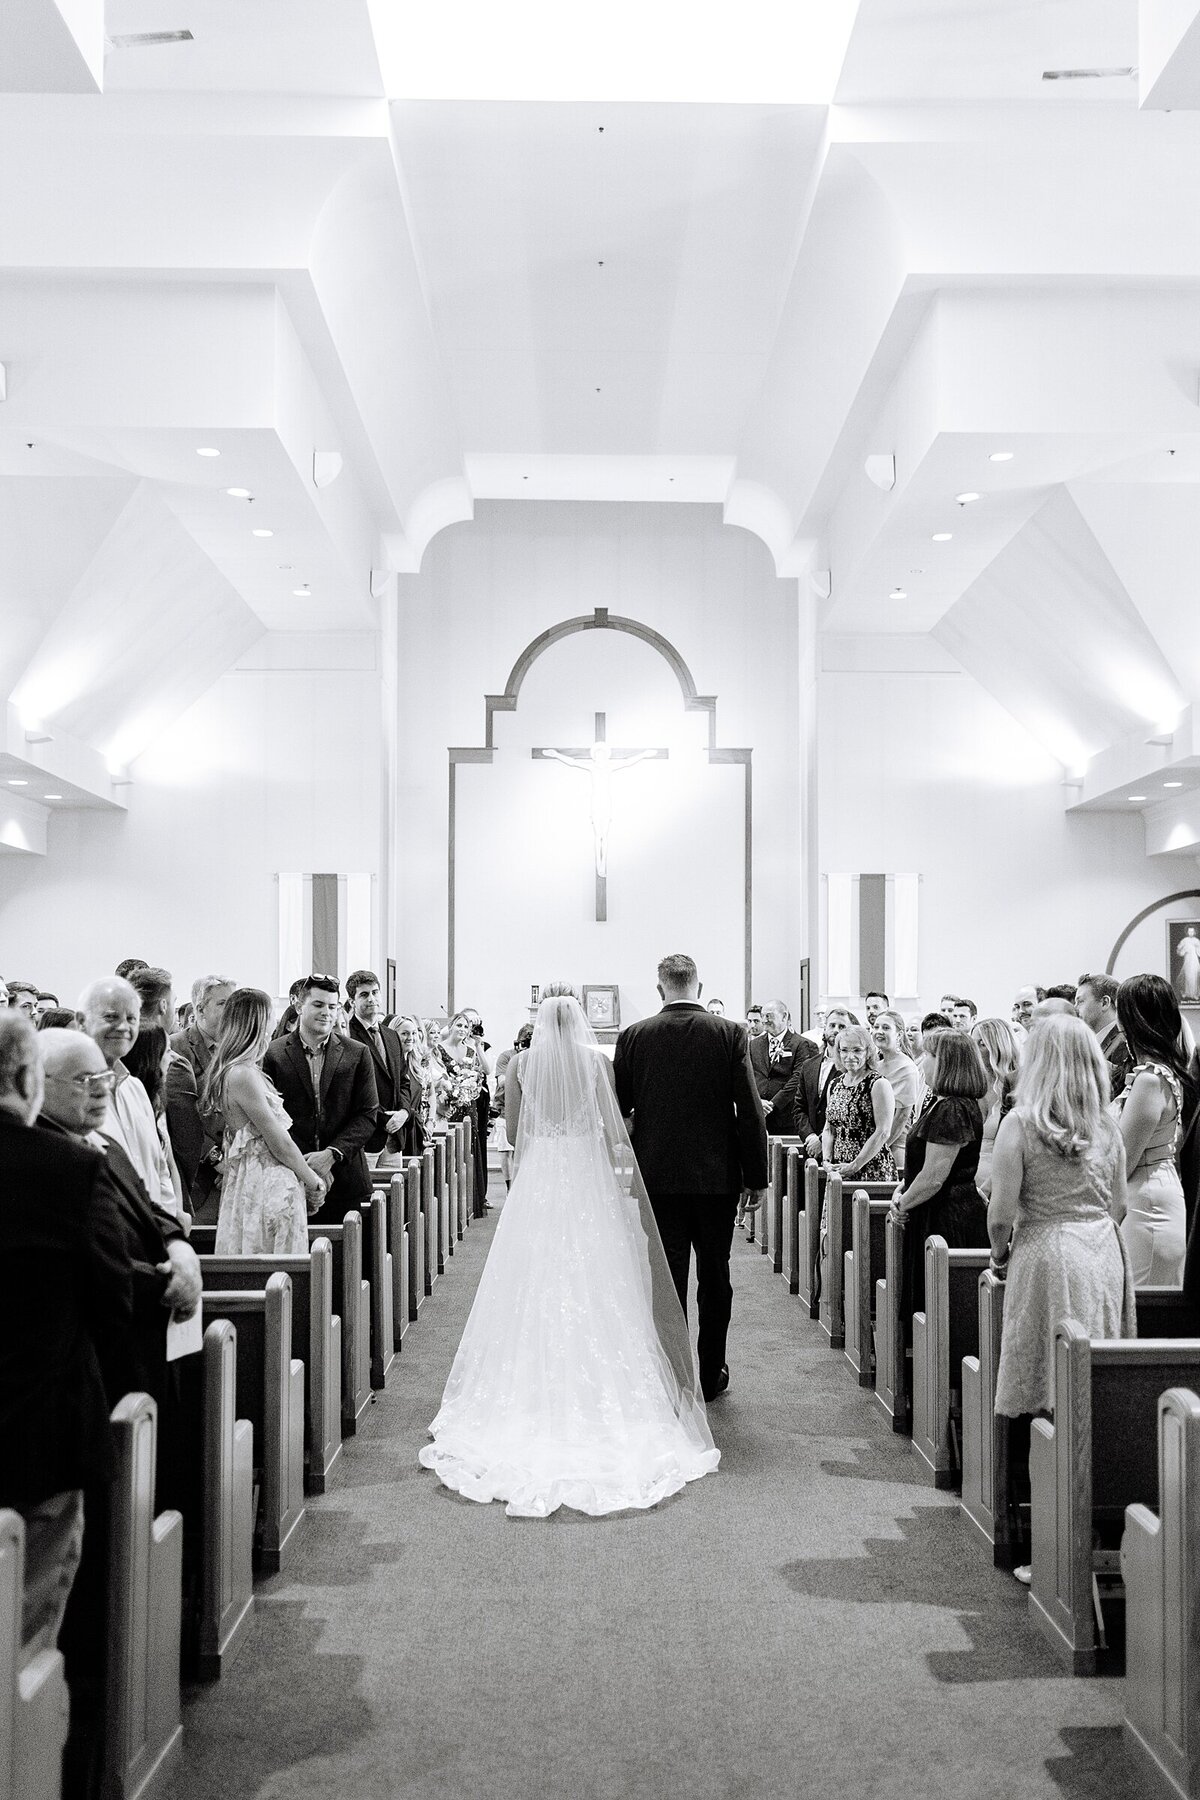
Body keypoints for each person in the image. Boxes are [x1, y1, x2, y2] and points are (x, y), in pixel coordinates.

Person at [420, 991, 719, 1517]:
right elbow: (612, 1132)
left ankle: (524, 1390)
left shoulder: (522, 1064)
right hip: (585, 1176)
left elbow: (513, 1132)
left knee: (531, 1278)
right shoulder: (595, 1063)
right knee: (599, 1278)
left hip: (540, 1178)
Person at [0, 1015, 132, 1672]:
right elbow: (113, 1301)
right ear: (28, 1079)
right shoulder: (70, 1168)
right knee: (28, 1633)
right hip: (38, 1433)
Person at [987, 1016, 1134, 1581]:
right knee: (1090, 1387)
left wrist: (1002, 1255)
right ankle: (1093, 1531)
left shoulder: (1020, 1124)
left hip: (1046, 1257)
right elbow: (1117, 1204)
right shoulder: (1106, 1126)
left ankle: (1045, 1547)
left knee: (1041, 1395)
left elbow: (1001, 1214)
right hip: (1100, 1255)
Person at [613, 954, 768, 1402]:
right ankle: (710, 1372)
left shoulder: (634, 1036)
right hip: (716, 1177)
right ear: (699, 987)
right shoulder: (729, 1033)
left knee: (667, 1276)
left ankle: (672, 1373)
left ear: (660, 989)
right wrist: (755, 1176)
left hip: (655, 1177)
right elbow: (749, 1110)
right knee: (716, 1274)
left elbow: (620, 1110)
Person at [202, 988, 324, 1253]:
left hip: (253, 1181)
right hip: (266, 1183)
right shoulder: (242, 1074)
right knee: (276, 1270)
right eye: (270, 1016)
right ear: (258, 1022)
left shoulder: (239, 1071)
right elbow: (278, 1142)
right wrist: (313, 1179)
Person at [890, 1030, 989, 1345]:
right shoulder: (943, 1103)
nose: (922, 1062)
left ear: (945, 1062)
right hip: (936, 1209)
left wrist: (903, 1204)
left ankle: (935, 1383)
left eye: (928, 1056)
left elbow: (935, 1175)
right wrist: (901, 1192)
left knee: (939, 1307)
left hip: (947, 1216)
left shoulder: (954, 1108)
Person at [262, 973, 378, 1225]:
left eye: (332, 1006)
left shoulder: (356, 1053)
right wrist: (305, 1166)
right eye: (318, 1004)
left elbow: (367, 1114)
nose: (327, 1012)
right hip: (289, 1175)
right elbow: (270, 1118)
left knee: (349, 1260)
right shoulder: (273, 1054)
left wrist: (331, 1154)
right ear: (298, 1006)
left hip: (345, 1178)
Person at [78, 976, 185, 1226]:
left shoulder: (135, 1087)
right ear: (82, 1022)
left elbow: (159, 1170)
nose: (123, 1027)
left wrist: (168, 1233)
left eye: (131, 1018)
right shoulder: (68, 1087)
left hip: (152, 1238)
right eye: (111, 1017)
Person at [1114, 973, 1192, 1286]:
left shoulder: (1149, 1079)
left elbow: (1123, 1159)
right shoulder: (1160, 1072)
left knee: (1142, 1306)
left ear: (1128, 1020)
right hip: (1149, 1192)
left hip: (1146, 1205)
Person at [170, 974, 236, 1215]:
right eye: (222, 1004)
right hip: (196, 1176)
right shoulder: (175, 1047)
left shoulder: (238, 1049)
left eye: (233, 1004)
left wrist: (236, 1159)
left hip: (235, 1173)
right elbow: (177, 1117)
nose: (231, 1011)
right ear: (200, 1009)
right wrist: (217, 1160)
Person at [345, 969, 413, 1166]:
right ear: (352, 1001)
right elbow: (353, 1089)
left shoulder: (391, 1036)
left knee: (396, 1194)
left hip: (394, 1137)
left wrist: (404, 1113)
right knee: (368, 1196)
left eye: (375, 992)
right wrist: (384, 1119)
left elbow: (404, 1081)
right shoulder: (347, 1036)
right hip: (365, 1136)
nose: (371, 999)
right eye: (364, 994)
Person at [822, 1025, 896, 1182]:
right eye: (844, 1050)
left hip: (869, 1166)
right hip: (838, 1168)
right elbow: (829, 1128)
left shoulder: (878, 1083)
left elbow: (883, 1131)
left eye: (857, 1050)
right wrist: (826, 1161)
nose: (850, 1056)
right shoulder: (835, 1084)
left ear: (868, 1052)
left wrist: (855, 1165)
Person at [438, 1009, 491, 1212]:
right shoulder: (440, 1048)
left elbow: (486, 1070)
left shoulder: (470, 1049)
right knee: (451, 1148)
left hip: (468, 1105)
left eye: (466, 1026)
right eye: (459, 1025)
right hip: (449, 1104)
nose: (462, 1029)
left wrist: (478, 1046)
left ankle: (471, 1201)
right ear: (451, 1026)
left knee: (470, 1146)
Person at [790, 1004, 852, 1157]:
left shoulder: (852, 1068)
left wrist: (821, 1140)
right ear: (825, 1028)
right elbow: (799, 1107)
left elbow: (849, 1114)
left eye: (842, 1026)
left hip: (840, 1150)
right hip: (810, 1148)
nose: (836, 1030)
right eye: (832, 1025)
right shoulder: (809, 1065)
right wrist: (810, 1137)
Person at [750, 998, 817, 1136]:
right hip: (758, 1115)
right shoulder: (753, 1045)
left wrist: (772, 1104)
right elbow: (748, 1075)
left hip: (787, 1117)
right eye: (763, 1016)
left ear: (784, 1016)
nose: (764, 1020)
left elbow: (798, 1078)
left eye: (769, 1016)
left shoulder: (802, 1044)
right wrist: (757, 1102)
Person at [971, 1017, 1022, 1198]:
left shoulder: (1015, 1088)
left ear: (998, 1047)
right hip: (966, 1189)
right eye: (972, 1043)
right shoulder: (970, 1088)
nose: (974, 1050)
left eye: (982, 1044)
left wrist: (986, 1190)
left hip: (1002, 1186)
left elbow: (1017, 1150)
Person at [871, 1009, 921, 1171]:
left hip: (893, 1144)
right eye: (876, 1027)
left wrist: (879, 1148)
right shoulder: (875, 1064)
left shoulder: (906, 1067)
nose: (879, 1031)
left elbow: (902, 1116)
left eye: (885, 1028)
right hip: (872, 1141)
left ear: (899, 1035)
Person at [1076, 971, 1133, 1100]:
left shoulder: (1123, 1043)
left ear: (1104, 1003)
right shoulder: (1092, 1041)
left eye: (1080, 1002)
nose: (1075, 1008)